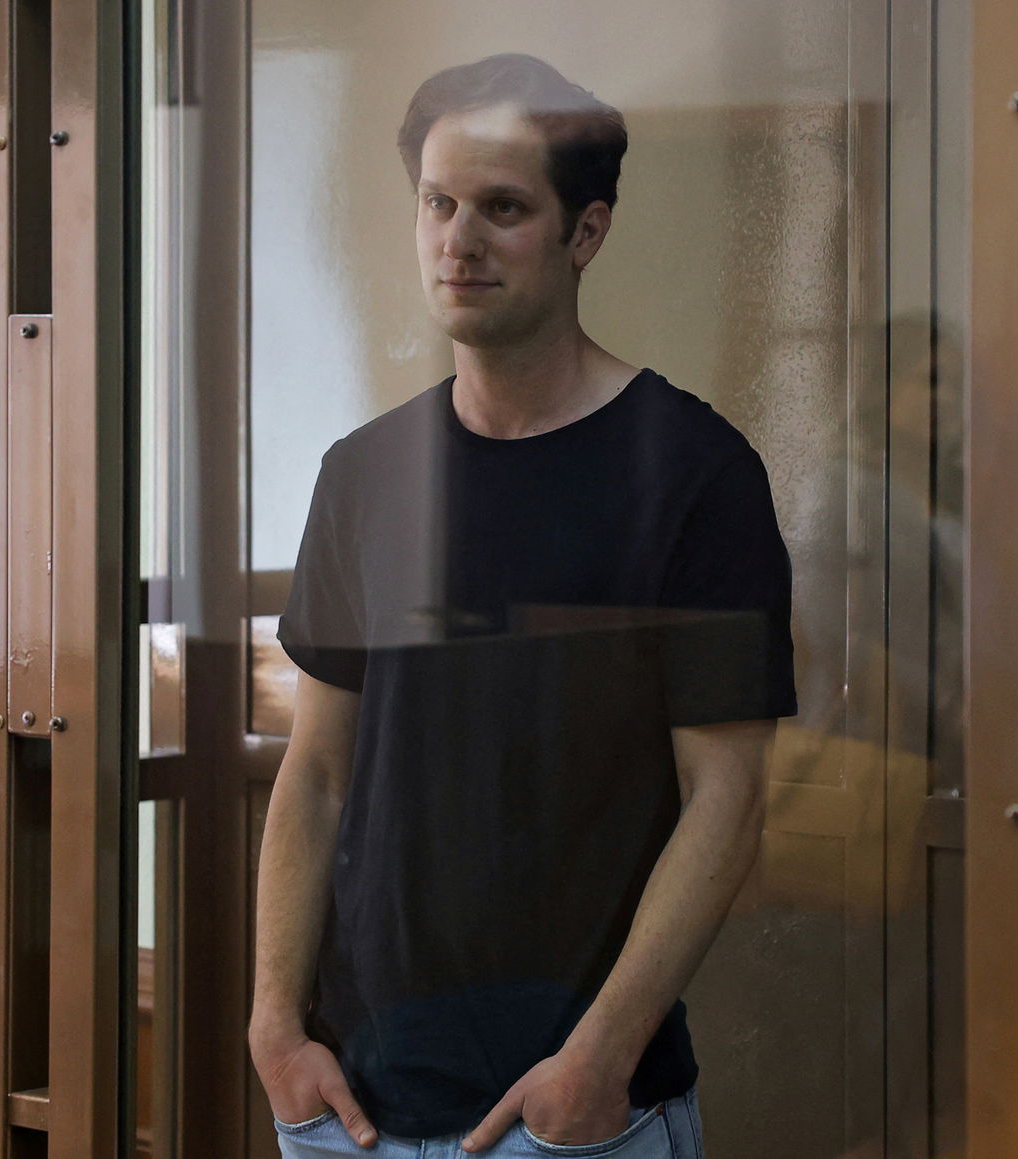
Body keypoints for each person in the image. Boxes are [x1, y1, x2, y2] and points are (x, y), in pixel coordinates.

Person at [249, 53, 797, 1158]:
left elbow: (725, 798)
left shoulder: (692, 471)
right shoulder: (364, 472)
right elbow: (314, 774)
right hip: (351, 1108)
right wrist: (272, 1026)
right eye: (438, 203)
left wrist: (599, 1059)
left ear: (584, 233)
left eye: (503, 208)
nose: (458, 239)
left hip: (578, 1116)